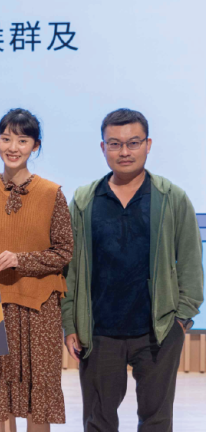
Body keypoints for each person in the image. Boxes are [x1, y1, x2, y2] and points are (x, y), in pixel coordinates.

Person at [62, 108, 203, 432]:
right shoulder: (84, 200)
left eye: (133, 143)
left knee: (156, 422)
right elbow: (70, 271)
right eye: (115, 144)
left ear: (148, 145)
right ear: (103, 148)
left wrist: (181, 319)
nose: (124, 151)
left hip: (157, 331)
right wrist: (70, 323)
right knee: (98, 422)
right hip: (98, 332)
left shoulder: (171, 197)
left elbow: (190, 263)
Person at [0, 109, 73, 432]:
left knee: (38, 403)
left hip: (40, 310)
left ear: (35, 146)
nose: (13, 147)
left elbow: (64, 252)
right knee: (1, 400)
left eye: (23, 140)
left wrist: (20, 260)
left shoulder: (52, 193)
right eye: (6, 138)